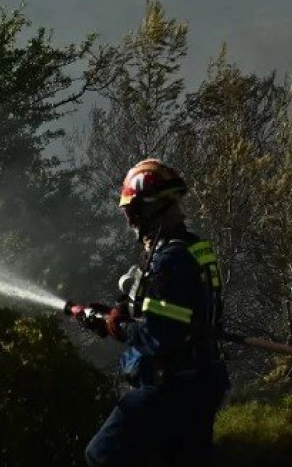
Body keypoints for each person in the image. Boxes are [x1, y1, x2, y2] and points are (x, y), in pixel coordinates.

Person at [71, 158, 229, 466]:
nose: (130, 221)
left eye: (133, 211)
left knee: (100, 455)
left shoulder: (169, 261)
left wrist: (118, 327)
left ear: (154, 208)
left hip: (169, 390)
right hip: (202, 382)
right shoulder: (192, 248)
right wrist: (117, 313)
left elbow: (161, 336)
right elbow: (174, 313)